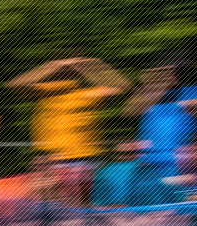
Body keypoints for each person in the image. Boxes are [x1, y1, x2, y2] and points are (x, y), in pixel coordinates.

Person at [7, 56, 131, 184]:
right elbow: (14, 86)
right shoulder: (45, 92)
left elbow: (123, 88)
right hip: (56, 163)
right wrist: (55, 64)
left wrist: (89, 65)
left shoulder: (87, 93)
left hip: (86, 161)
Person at [124, 58, 197, 177]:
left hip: (179, 166)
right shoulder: (152, 95)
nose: (159, 76)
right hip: (147, 165)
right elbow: (129, 111)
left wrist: (178, 104)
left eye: (166, 72)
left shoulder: (196, 91)